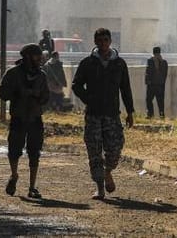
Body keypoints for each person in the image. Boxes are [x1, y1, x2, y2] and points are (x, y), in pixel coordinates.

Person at [71, 28, 135, 201]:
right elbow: (76, 85)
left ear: (110, 41)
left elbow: (125, 89)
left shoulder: (119, 64)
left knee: (115, 148)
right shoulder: (88, 63)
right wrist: (88, 99)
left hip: (112, 115)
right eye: (99, 40)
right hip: (93, 115)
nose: (103, 43)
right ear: (95, 42)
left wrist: (130, 112)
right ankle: (99, 187)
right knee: (94, 151)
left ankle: (107, 172)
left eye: (106, 40)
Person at [0, 44, 50, 199]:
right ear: (27, 57)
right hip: (18, 117)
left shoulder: (41, 75)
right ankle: (14, 175)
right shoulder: (13, 73)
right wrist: (18, 92)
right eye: (36, 56)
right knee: (14, 150)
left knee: (35, 153)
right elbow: (2, 93)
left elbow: (46, 97)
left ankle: (32, 187)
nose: (39, 59)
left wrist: (36, 95)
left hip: (35, 118)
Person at [144, 47, 168, 119]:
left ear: (153, 52)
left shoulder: (150, 61)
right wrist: (163, 83)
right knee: (160, 101)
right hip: (160, 85)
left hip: (152, 85)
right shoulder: (164, 62)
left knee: (149, 100)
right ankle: (162, 115)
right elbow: (165, 74)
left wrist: (147, 82)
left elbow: (148, 72)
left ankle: (150, 115)